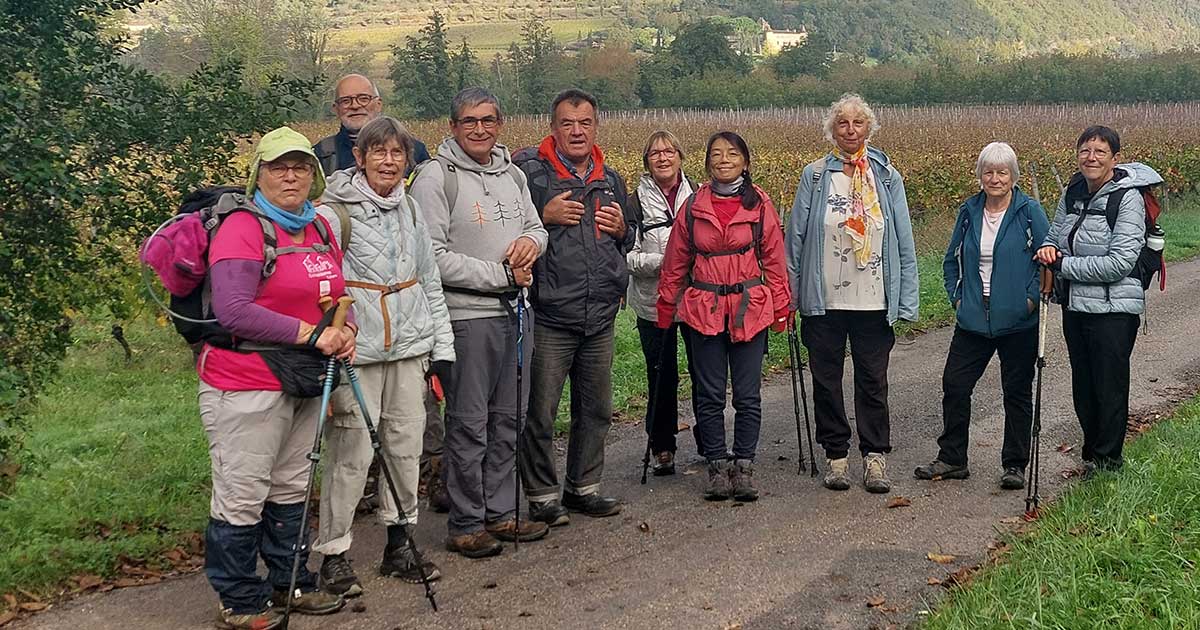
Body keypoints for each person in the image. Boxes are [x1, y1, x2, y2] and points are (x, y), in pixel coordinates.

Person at [198, 127, 350, 629]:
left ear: (314, 175)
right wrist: (313, 334)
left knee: (291, 484)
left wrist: (347, 329)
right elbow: (234, 310)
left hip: (304, 375)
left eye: (300, 166)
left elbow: (336, 293)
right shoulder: (242, 228)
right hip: (244, 379)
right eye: (278, 167)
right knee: (243, 491)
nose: (290, 176)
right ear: (258, 175)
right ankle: (240, 599)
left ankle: (292, 582)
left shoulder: (320, 227)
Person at [312, 116, 454, 597]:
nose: (389, 162)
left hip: (410, 348)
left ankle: (400, 543)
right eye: (379, 152)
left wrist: (442, 348)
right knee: (350, 456)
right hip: (359, 352)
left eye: (397, 153)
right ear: (360, 157)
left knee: (405, 448)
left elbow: (429, 280)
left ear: (408, 161)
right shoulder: (334, 213)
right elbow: (320, 282)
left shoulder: (411, 209)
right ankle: (334, 554)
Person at [410, 87, 551, 558]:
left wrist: (532, 245)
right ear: (453, 127)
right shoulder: (436, 178)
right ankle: (466, 522)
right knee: (470, 423)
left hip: (518, 313)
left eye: (488, 120)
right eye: (469, 121)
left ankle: (501, 511)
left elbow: (536, 228)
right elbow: (430, 256)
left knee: (509, 418)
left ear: (500, 124)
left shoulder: (512, 174)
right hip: (467, 317)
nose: (479, 129)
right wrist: (500, 276)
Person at [786, 93, 919, 494]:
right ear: (832, 129)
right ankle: (837, 457)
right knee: (826, 381)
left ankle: (875, 457)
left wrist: (907, 298)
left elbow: (903, 239)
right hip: (824, 299)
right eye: (842, 123)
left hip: (873, 299)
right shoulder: (814, 176)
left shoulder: (887, 177)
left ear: (869, 128)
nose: (850, 130)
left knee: (873, 381)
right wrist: (791, 296)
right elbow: (795, 240)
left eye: (858, 123)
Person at [512, 89, 634, 526]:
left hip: (599, 314)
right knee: (540, 411)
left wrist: (623, 229)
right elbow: (509, 230)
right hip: (549, 314)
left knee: (595, 409)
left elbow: (627, 237)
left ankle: (584, 487)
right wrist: (541, 215)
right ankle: (542, 495)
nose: (577, 131)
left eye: (585, 123)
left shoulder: (611, 179)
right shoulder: (529, 175)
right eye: (568, 123)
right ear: (553, 128)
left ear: (596, 127)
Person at [656, 131, 791, 501]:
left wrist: (782, 306)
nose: (724, 160)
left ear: (745, 162)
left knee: (747, 395)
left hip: (750, 308)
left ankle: (743, 467)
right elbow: (675, 261)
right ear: (707, 163)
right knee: (710, 394)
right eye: (716, 154)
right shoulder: (693, 206)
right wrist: (666, 305)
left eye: (732, 154)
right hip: (705, 308)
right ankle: (717, 466)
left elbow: (774, 259)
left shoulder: (760, 203)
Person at [914, 142, 1049, 490]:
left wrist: (1029, 301)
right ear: (980, 175)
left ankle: (1015, 464)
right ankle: (953, 458)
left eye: (1002, 172)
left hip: (1018, 321)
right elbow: (951, 260)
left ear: (1013, 176)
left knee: (1016, 392)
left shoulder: (1029, 212)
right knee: (955, 385)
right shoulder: (969, 211)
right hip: (973, 317)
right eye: (989, 172)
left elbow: (1047, 260)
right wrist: (958, 298)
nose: (995, 178)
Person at [1035, 125, 1161, 477]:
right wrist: (1048, 250)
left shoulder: (1127, 198)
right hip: (1076, 306)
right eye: (1085, 151)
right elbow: (1054, 235)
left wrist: (1063, 265)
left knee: (1109, 387)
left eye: (1100, 152)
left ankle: (1109, 463)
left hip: (1114, 310)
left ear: (1114, 158)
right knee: (1084, 386)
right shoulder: (1074, 191)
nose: (1091, 158)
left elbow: (1119, 263)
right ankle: (1093, 455)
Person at [626, 130, 696, 476]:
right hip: (652, 302)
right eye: (655, 153)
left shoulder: (699, 195)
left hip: (696, 301)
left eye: (669, 151)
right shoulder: (634, 203)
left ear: (680, 157)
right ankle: (662, 446)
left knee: (704, 373)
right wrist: (667, 262)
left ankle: (710, 439)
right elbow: (626, 256)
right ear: (647, 161)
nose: (663, 158)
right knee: (661, 375)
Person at [314, 74, 431, 177]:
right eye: (346, 101)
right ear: (335, 109)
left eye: (363, 99)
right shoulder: (322, 153)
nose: (355, 106)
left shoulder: (414, 150)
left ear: (378, 104)